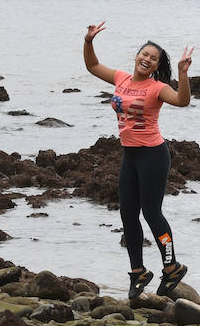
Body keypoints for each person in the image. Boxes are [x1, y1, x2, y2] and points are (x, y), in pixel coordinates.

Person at [82, 21, 194, 299]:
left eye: (153, 58)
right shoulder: (121, 78)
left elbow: (182, 101)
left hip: (153, 156)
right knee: (127, 214)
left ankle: (171, 267)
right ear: (136, 57)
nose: (147, 59)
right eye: (144, 54)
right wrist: (88, 41)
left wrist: (182, 74)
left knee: (152, 213)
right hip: (129, 156)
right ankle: (138, 272)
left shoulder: (157, 88)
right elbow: (93, 67)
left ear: (156, 66)